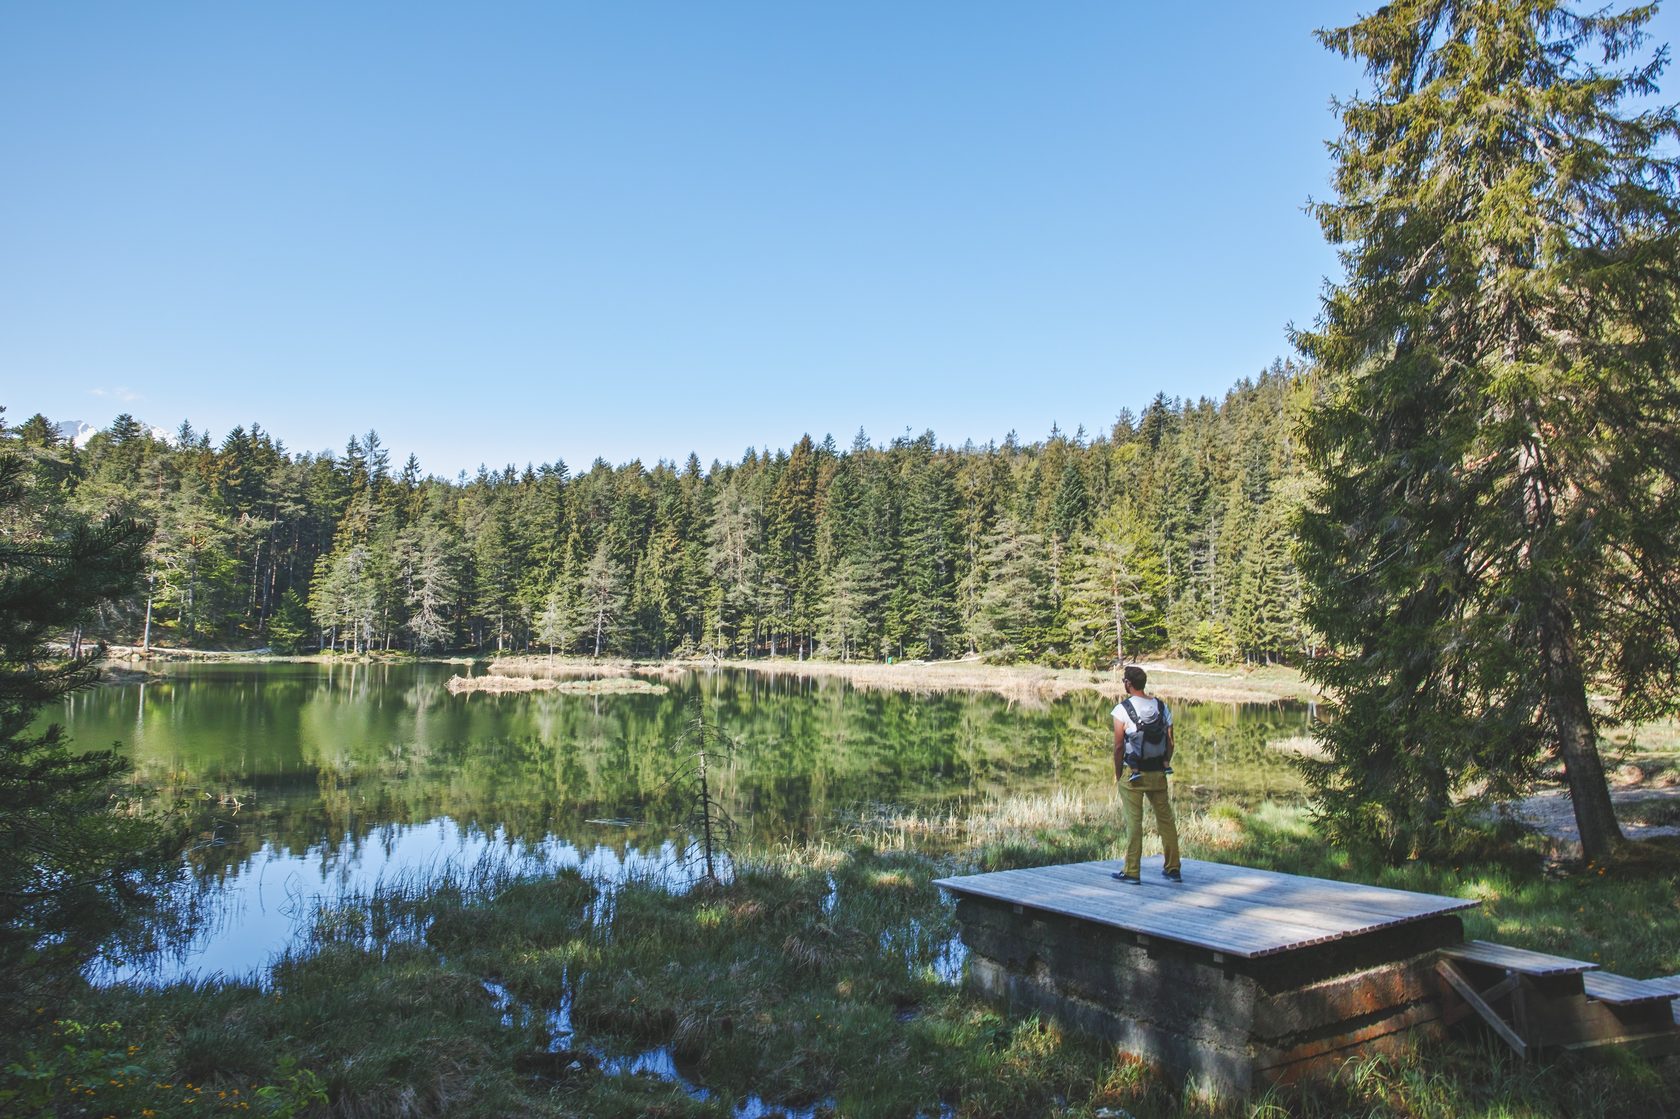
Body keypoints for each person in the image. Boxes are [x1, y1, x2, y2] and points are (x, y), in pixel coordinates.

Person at [1111, 665, 1182, 884]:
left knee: (1134, 822)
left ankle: (1132, 871)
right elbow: (1171, 742)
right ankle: (1173, 868)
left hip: (1134, 774)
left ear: (1128, 684)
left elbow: (1118, 747)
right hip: (1158, 772)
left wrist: (1118, 772)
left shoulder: (1122, 710)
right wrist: (1165, 762)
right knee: (1166, 820)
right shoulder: (1161, 706)